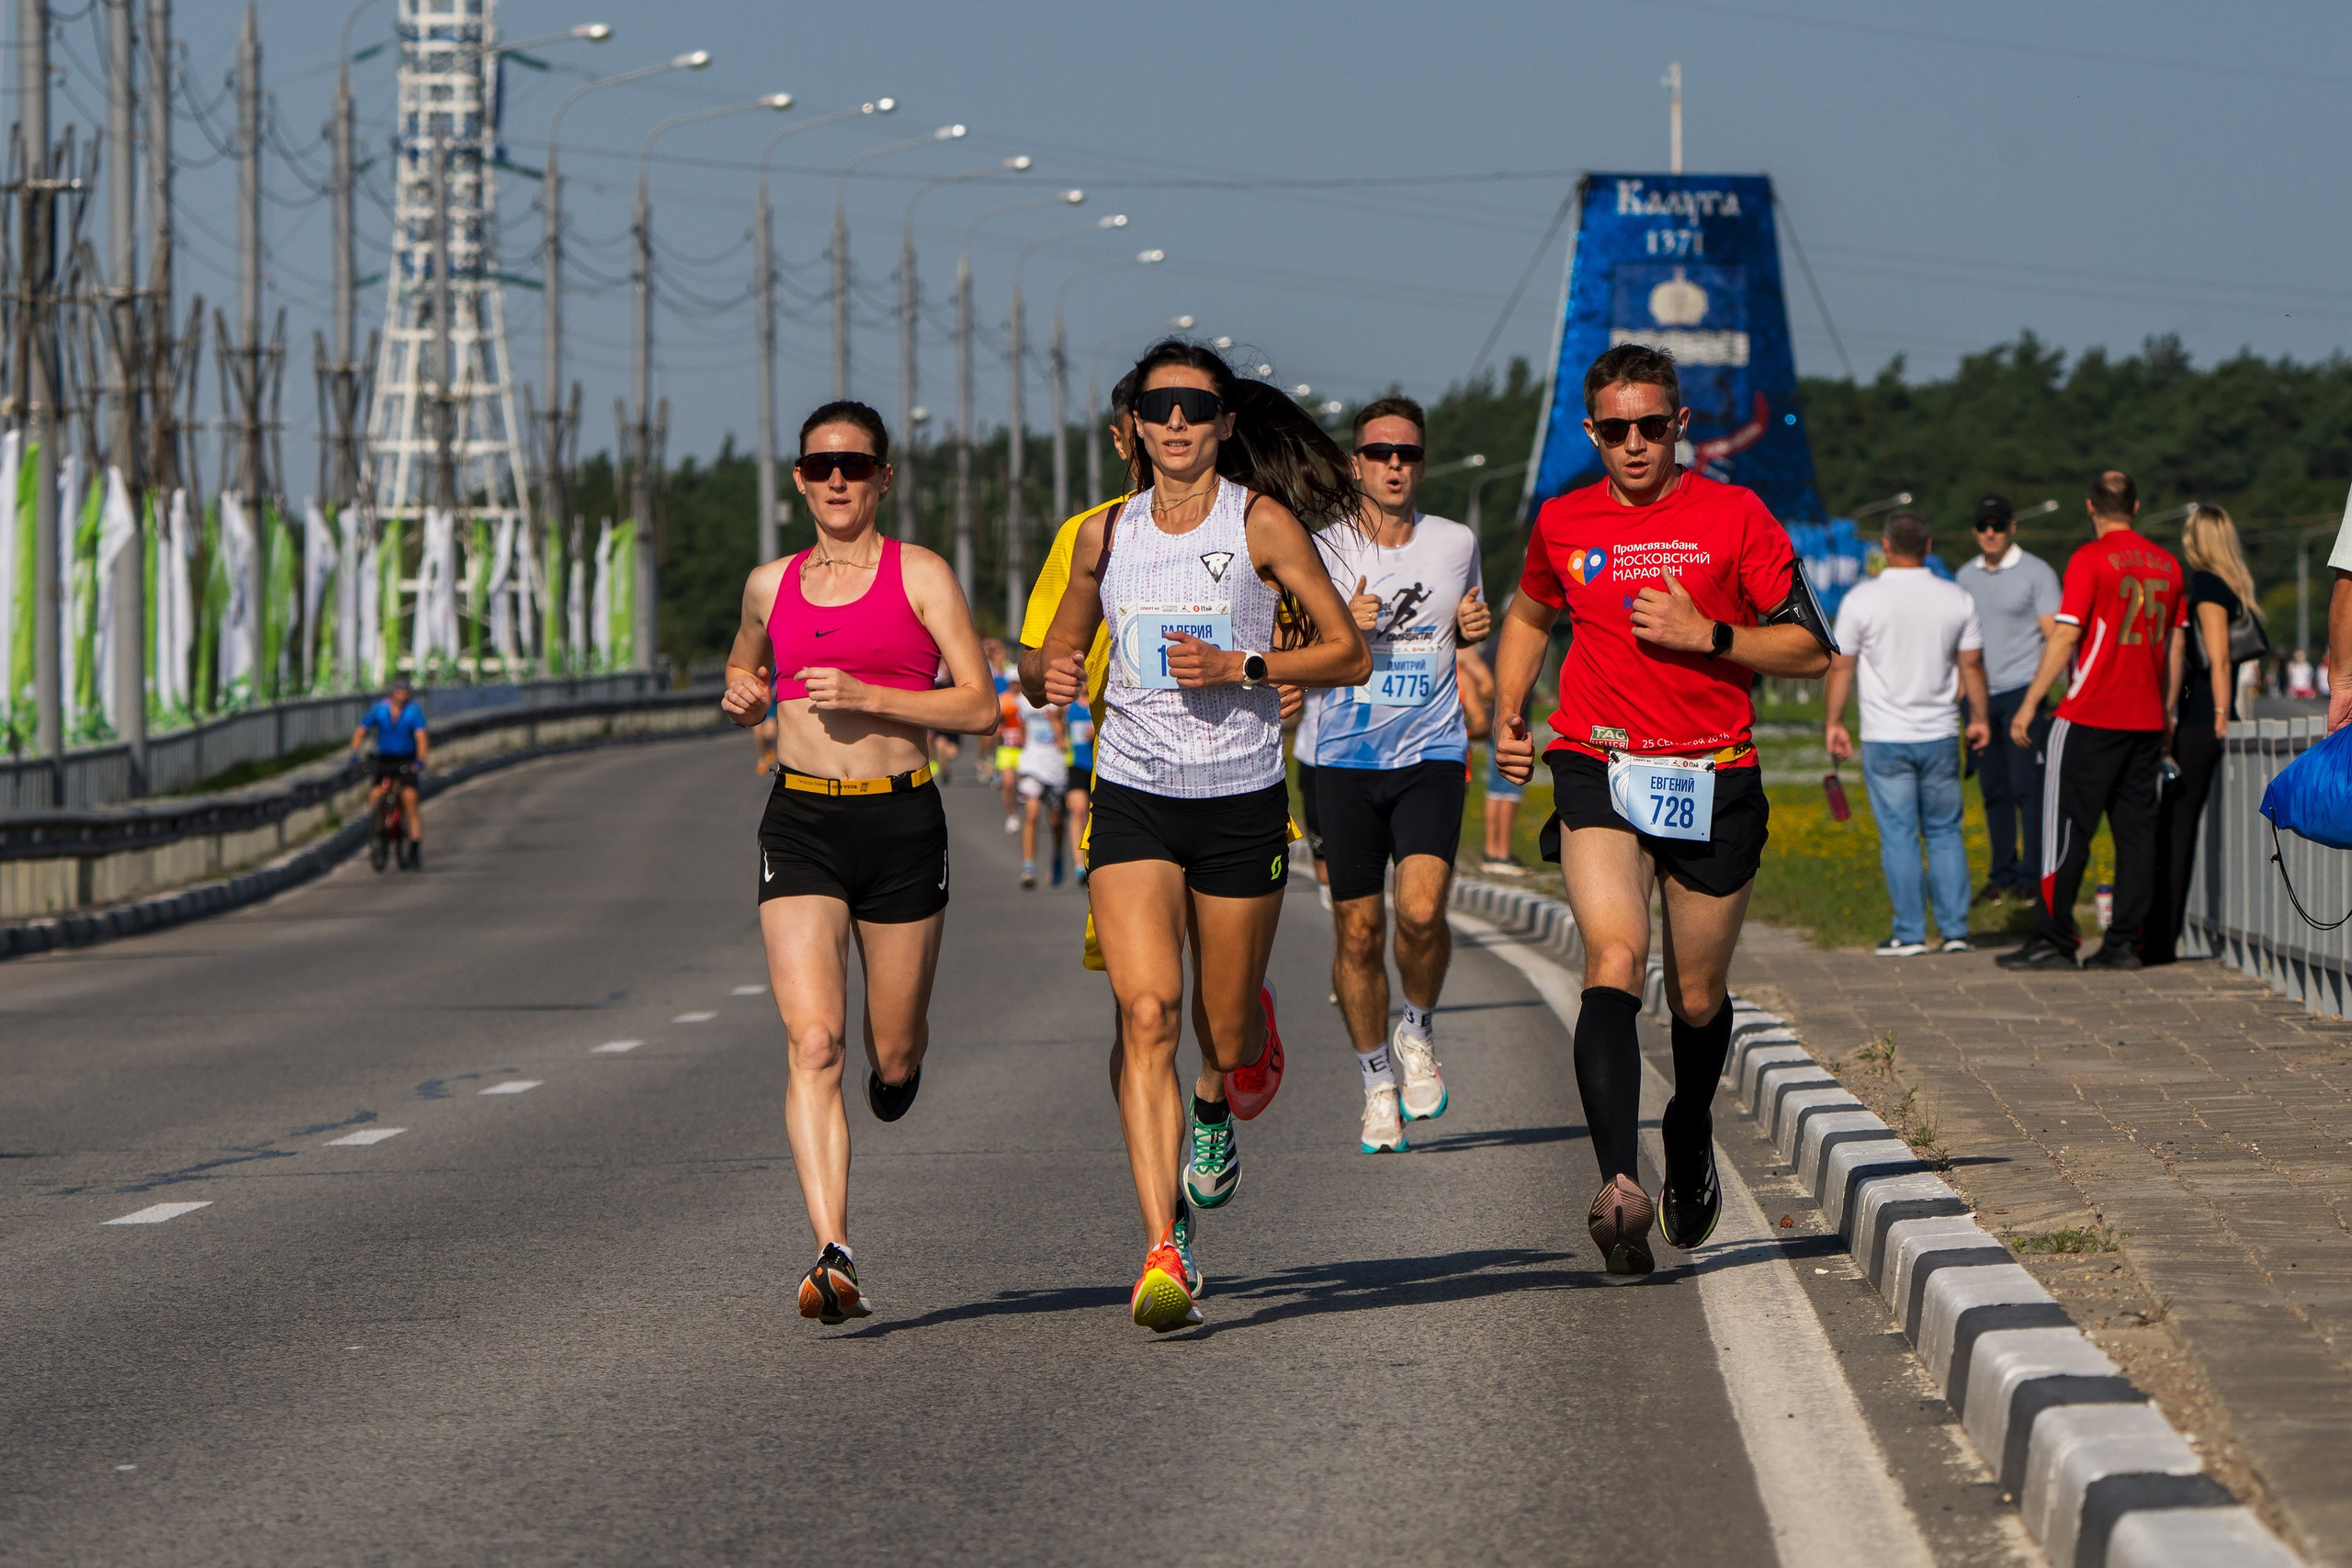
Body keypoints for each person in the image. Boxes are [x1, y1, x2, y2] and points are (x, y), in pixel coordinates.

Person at [1037, 339, 1368, 1331]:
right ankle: (1162, 1245)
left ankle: (1224, 1081)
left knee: (1218, 1032)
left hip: (1239, 800)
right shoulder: (1103, 535)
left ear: (1225, 422)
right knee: (1146, 1012)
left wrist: (1245, 668)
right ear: (1133, 426)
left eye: (1194, 405)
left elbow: (1347, 652)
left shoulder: (1258, 521)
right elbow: (1053, 654)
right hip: (1132, 797)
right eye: (1158, 406)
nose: (1175, 421)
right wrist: (1048, 675)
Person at [1492, 343, 1833, 1275]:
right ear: (1591, 432)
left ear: (1680, 425)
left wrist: (1708, 633)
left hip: (1712, 772)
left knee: (1694, 995)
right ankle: (1618, 1183)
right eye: (1615, 430)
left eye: (1651, 426)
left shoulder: (1736, 514)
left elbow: (1811, 648)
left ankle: (1688, 1124)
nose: (1634, 444)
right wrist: (1510, 710)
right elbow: (1529, 613)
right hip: (1598, 763)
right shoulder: (1563, 520)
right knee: (1612, 957)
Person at [718, 400, 999, 1325]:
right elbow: (745, 667)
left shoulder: (922, 574)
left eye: (855, 464)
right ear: (800, 480)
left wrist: (873, 695)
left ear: (884, 477)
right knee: (813, 1041)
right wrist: (745, 694)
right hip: (801, 819)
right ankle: (832, 1249)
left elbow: (979, 707)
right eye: (819, 465)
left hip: (900, 821)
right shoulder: (769, 584)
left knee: (891, 1047)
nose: (836, 479)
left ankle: (899, 1073)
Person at [1305, 395, 1492, 1154]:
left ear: (1421, 463)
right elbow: (1294, 645)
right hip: (1342, 760)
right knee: (1358, 931)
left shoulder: (1455, 541)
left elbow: (1466, 624)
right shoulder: (1322, 547)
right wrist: (1341, 629)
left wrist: (1475, 630)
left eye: (1407, 454)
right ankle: (1375, 1080)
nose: (1393, 465)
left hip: (1431, 752)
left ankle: (1416, 1029)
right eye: (1379, 453)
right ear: (1355, 464)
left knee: (1419, 911)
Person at [1997, 470, 2184, 972]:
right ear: (2136, 507)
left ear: (2090, 507)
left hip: (2089, 713)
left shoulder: (2090, 558)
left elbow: (2065, 636)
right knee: (2136, 836)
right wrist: (2167, 710)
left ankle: (2054, 939)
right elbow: (2175, 644)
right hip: (2145, 718)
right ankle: (2124, 942)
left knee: (2063, 830)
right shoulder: (2168, 565)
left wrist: (2031, 702)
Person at [1824, 511, 1992, 956]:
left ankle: (1910, 933)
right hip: (1940, 732)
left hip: (1885, 735)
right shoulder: (1956, 598)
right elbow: (1972, 665)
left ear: (1885, 547)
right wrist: (1979, 718)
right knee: (1945, 832)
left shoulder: (1861, 599)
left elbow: (1841, 666)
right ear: (1928, 547)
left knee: (1899, 835)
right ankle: (1955, 931)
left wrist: (1834, 723)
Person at [2146, 504, 2267, 963]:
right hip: (2205, 721)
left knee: (2175, 831)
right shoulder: (2229, 585)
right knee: (2178, 830)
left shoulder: (2208, 587)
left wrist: (2219, 714)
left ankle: (2161, 939)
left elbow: (2218, 660)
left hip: (2199, 723)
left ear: (2196, 541)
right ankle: (2163, 934)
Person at [1954, 494, 2062, 902]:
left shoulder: (2037, 573)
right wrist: (1961, 695)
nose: (1991, 533)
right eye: (1983, 526)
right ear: (1975, 530)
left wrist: (2039, 696)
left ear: (2012, 527)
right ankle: (2001, 874)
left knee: (2025, 787)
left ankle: (2031, 876)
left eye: (1998, 525)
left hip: (2022, 691)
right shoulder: (1965, 576)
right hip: (1979, 696)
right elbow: (1959, 642)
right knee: (1993, 789)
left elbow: (2054, 637)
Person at [352, 676, 429, 866]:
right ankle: (377, 827)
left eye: (406, 692)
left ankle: (414, 847)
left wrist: (419, 760)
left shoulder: (413, 711)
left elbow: (421, 738)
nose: (403, 695)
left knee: (409, 797)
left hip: (406, 759)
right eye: (399, 691)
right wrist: (355, 753)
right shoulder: (380, 709)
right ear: (393, 693)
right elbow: (362, 730)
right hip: (384, 759)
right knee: (375, 794)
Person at [1013, 691, 1069, 888]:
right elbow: (1021, 725)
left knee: (1056, 820)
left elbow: (1065, 727)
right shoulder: (1023, 699)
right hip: (1031, 763)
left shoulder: (1060, 697)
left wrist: (1055, 720)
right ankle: (1029, 868)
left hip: (1054, 764)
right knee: (1032, 813)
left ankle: (1058, 854)